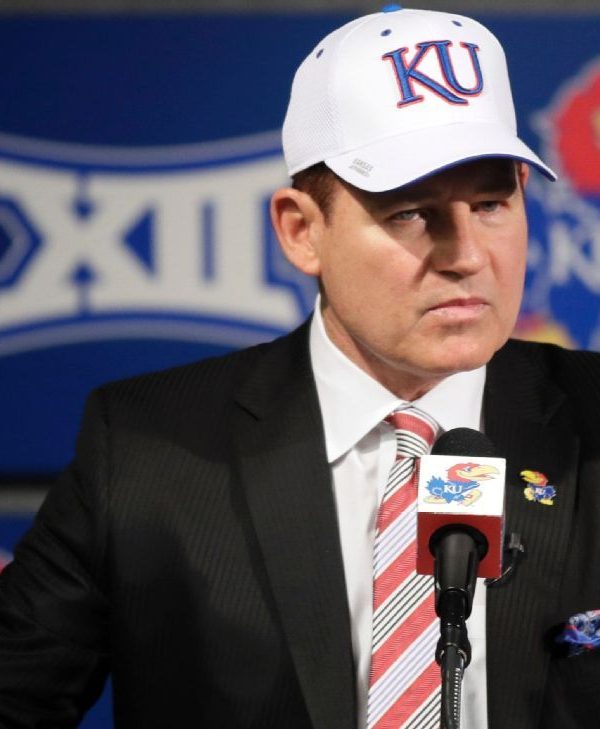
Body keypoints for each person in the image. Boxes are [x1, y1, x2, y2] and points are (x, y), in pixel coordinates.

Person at [1, 6, 600, 729]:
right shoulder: (144, 449)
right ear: (301, 231)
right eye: (411, 212)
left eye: (492, 202)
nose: (468, 254)